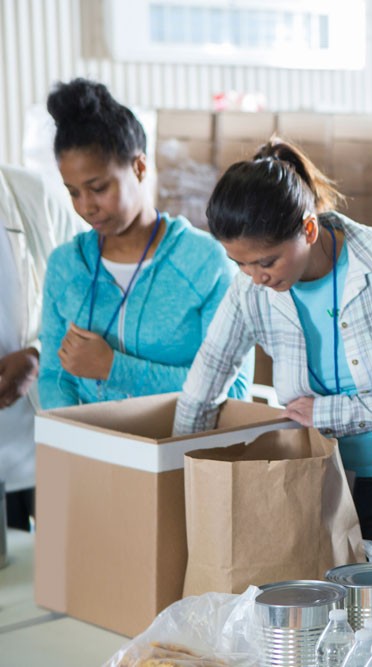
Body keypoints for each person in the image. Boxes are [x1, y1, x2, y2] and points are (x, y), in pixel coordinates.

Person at [173, 138, 372, 545]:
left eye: (266, 261)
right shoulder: (250, 291)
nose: (255, 276)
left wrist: (328, 413)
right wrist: (173, 471)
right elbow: (203, 385)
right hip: (313, 484)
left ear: (309, 229)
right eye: (239, 263)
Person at [38, 78, 250, 408]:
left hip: (178, 456)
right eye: (73, 192)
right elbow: (53, 377)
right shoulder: (66, 265)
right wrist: (72, 441)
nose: (85, 206)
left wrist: (113, 368)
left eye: (98, 188)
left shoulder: (204, 262)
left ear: (138, 167)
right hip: (85, 454)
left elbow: (235, 392)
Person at [0, 164, 84, 530]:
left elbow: (88, 300)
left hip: (37, 448)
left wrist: (37, 354)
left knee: (57, 575)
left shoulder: (30, 195)